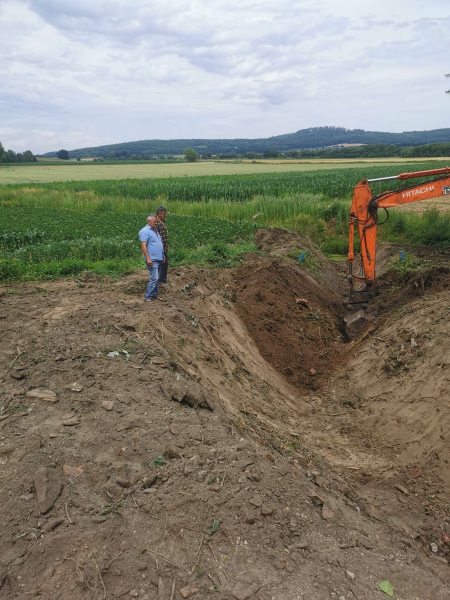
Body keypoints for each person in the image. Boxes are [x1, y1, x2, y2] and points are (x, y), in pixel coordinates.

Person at [138, 214, 164, 302]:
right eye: (154, 222)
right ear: (149, 222)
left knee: (157, 278)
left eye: (156, 221)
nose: (156, 223)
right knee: (155, 278)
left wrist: (162, 255)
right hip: (152, 259)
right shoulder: (145, 231)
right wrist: (148, 258)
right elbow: (143, 245)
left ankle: (154, 295)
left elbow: (159, 244)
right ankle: (148, 297)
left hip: (158, 258)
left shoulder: (155, 230)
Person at [155, 205, 169, 284]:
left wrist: (166, 245)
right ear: (159, 214)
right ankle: (161, 280)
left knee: (165, 264)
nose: (165, 215)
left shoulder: (163, 222)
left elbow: (164, 235)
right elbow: (156, 236)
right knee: (162, 264)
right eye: (164, 213)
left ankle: (163, 279)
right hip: (159, 248)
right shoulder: (156, 223)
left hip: (164, 247)